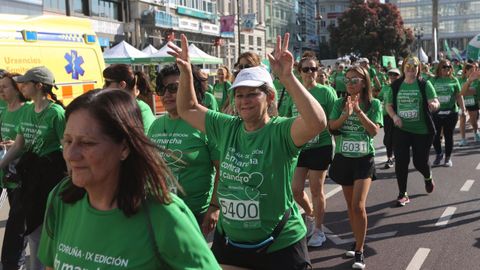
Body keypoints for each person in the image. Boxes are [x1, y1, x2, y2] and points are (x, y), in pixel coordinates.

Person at [170, 33, 326, 269]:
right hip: (232, 244)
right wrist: (185, 73)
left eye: (253, 93)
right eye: (239, 95)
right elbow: (188, 108)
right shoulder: (226, 126)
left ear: (270, 96)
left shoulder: (280, 131)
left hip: (280, 244)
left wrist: (287, 77)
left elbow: (317, 123)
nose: (244, 101)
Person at [37, 89, 220, 269]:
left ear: (124, 148)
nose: (71, 155)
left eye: (87, 143)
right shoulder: (60, 198)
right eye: (68, 141)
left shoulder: (162, 214)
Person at [0, 66, 67, 270]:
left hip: (50, 179)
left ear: (39, 86)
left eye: (26, 83)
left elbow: (67, 147)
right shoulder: (28, 110)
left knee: (48, 230)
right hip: (29, 179)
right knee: (32, 232)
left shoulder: (56, 113)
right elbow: (19, 144)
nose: (22, 86)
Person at [149, 64, 220, 234]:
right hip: (161, 210)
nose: (167, 94)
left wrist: (215, 206)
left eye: (174, 88)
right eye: (162, 89)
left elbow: (223, 169)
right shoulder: (156, 125)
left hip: (195, 213)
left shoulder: (205, 124)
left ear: (191, 89)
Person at [328, 66, 383, 269]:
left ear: (364, 82)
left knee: (359, 205)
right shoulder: (338, 103)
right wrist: (346, 114)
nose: (350, 84)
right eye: (347, 79)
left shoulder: (374, 104)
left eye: (355, 80)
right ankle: (357, 240)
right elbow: (332, 126)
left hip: (363, 159)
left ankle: (359, 251)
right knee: (351, 206)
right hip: (344, 159)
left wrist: (358, 111)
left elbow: (373, 131)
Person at [289, 55, 337, 248]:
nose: (310, 73)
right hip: (299, 148)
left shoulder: (326, 92)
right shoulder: (293, 92)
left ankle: (319, 230)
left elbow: (334, 120)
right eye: (306, 69)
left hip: (321, 146)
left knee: (317, 189)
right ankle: (309, 214)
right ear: (299, 72)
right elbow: (286, 118)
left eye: (313, 69)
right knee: (296, 189)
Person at [385, 56, 440, 207]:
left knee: (419, 162)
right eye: (408, 67)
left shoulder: (424, 84)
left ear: (418, 69)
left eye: (414, 67)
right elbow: (388, 105)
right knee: (401, 161)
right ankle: (403, 193)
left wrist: (434, 105)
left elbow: (435, 100)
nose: (411, 70)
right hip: (401, 129)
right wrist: (395, 116)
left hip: (421, 131)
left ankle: (428, 177)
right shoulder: (396, 85)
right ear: (403, 69)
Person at [0, 72, 29, 270]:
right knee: (17, 222)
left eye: (5, 86)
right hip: (6, 174)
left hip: (22, 174)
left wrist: (17, 145)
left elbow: (32, 140)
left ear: (17, 89)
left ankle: (14, 263)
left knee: (17, 224)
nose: (1, 90)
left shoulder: (26, 110)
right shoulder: (4, 111)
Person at [430, 59, 465, 167]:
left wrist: (463, 109)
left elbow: (459, 96)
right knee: (435, 136)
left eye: (448, 67)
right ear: (439, 68)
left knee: (448, 135)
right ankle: (439, 153)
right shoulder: (434, 80)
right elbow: (429, 95)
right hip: (436, 112)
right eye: (444, 67)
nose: (446, 69)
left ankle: (447, 158)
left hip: (451, 113)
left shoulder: (454, 80)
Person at [103, 64, 156, 133]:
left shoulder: (141, 108)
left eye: (107, 83)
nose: (103, 87)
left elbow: (144, 140)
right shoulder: (110, 107)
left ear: (122, 85)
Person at [377, 68, 401, 169]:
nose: (392, 77)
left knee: (398, 137)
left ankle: (397, 156)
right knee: (388, 138)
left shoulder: (402, 87)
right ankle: (389, 158)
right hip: (387, 116)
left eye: (395, 75)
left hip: (399, 116)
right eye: (390, 74)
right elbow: (379, 98)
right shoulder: (385, 88)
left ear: (399, 76)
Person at [458, 63, 480, 145]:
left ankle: (476, 132)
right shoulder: (460, 80)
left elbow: (470, 92)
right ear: (465, 71)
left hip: (472, 102)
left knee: (473, 121)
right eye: (471, 70)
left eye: (474, 70)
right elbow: (460, 93)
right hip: (462, 102)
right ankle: (463, 139)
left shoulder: (477, 81)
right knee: (462, 120)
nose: (473, 72)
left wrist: (466, 89)